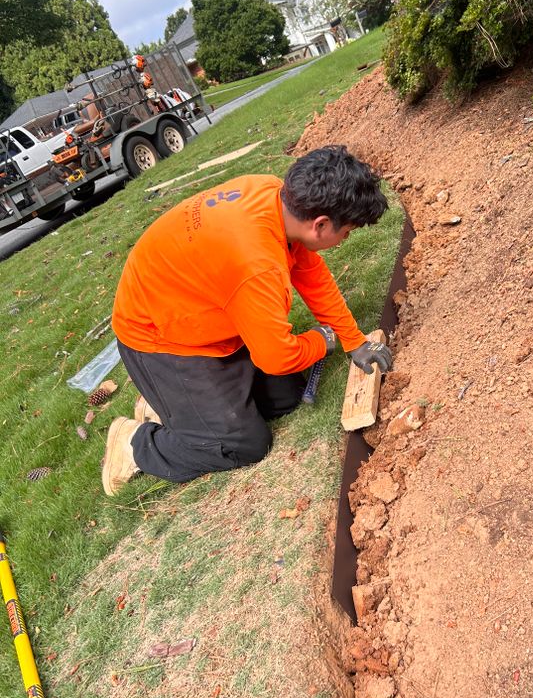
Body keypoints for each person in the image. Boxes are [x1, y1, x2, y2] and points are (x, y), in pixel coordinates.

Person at [102, 144, 393, 495]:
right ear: (320, 224)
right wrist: (324, 340)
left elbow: (310, 274)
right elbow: (277, 357)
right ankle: (135, 443)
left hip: (196, 312)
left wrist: (353, 339)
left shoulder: (276, 197)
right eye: (346, 232)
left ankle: (171, 404)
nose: (345, 240)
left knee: (286, 395)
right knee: (243, 444)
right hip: (159, 339)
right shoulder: (256, 266)